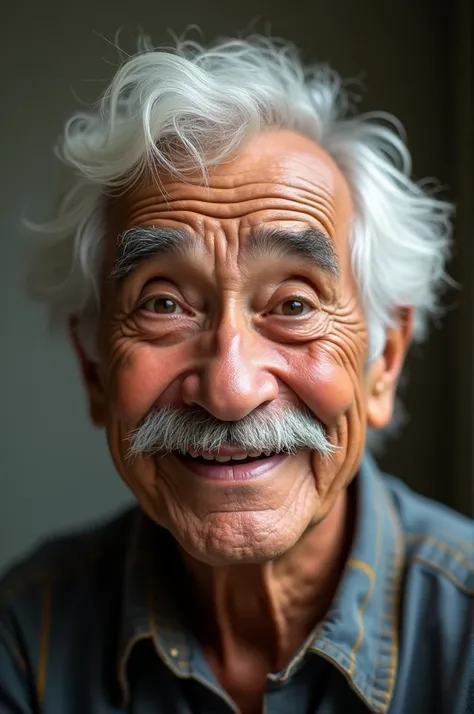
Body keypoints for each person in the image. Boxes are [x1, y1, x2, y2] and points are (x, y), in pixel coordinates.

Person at [0, 34, 472, 714]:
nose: (230, 388)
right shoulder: (27, 640)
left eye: (295, 305)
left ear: (383, 364)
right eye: (163, 303)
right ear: (94, 371)